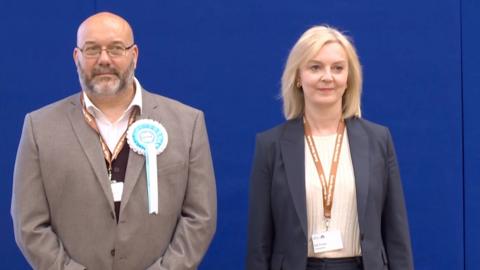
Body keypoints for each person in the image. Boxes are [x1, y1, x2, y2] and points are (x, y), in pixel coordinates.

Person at [11, 12, 216, 270]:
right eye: (92, 49)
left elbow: (200, 217)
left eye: (116, 49)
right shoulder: (39, 127)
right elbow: (28, 224)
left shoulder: (188, 124)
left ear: (135, 55)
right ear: (77, 57)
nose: (104, 59)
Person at [246, 25, 413, 270]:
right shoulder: (270, 145)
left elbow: (397, 234)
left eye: (337, 68)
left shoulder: (378, 139)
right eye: (315, 67)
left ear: (349, 78)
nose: (328, 77)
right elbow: (259, 244)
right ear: (298, 77)